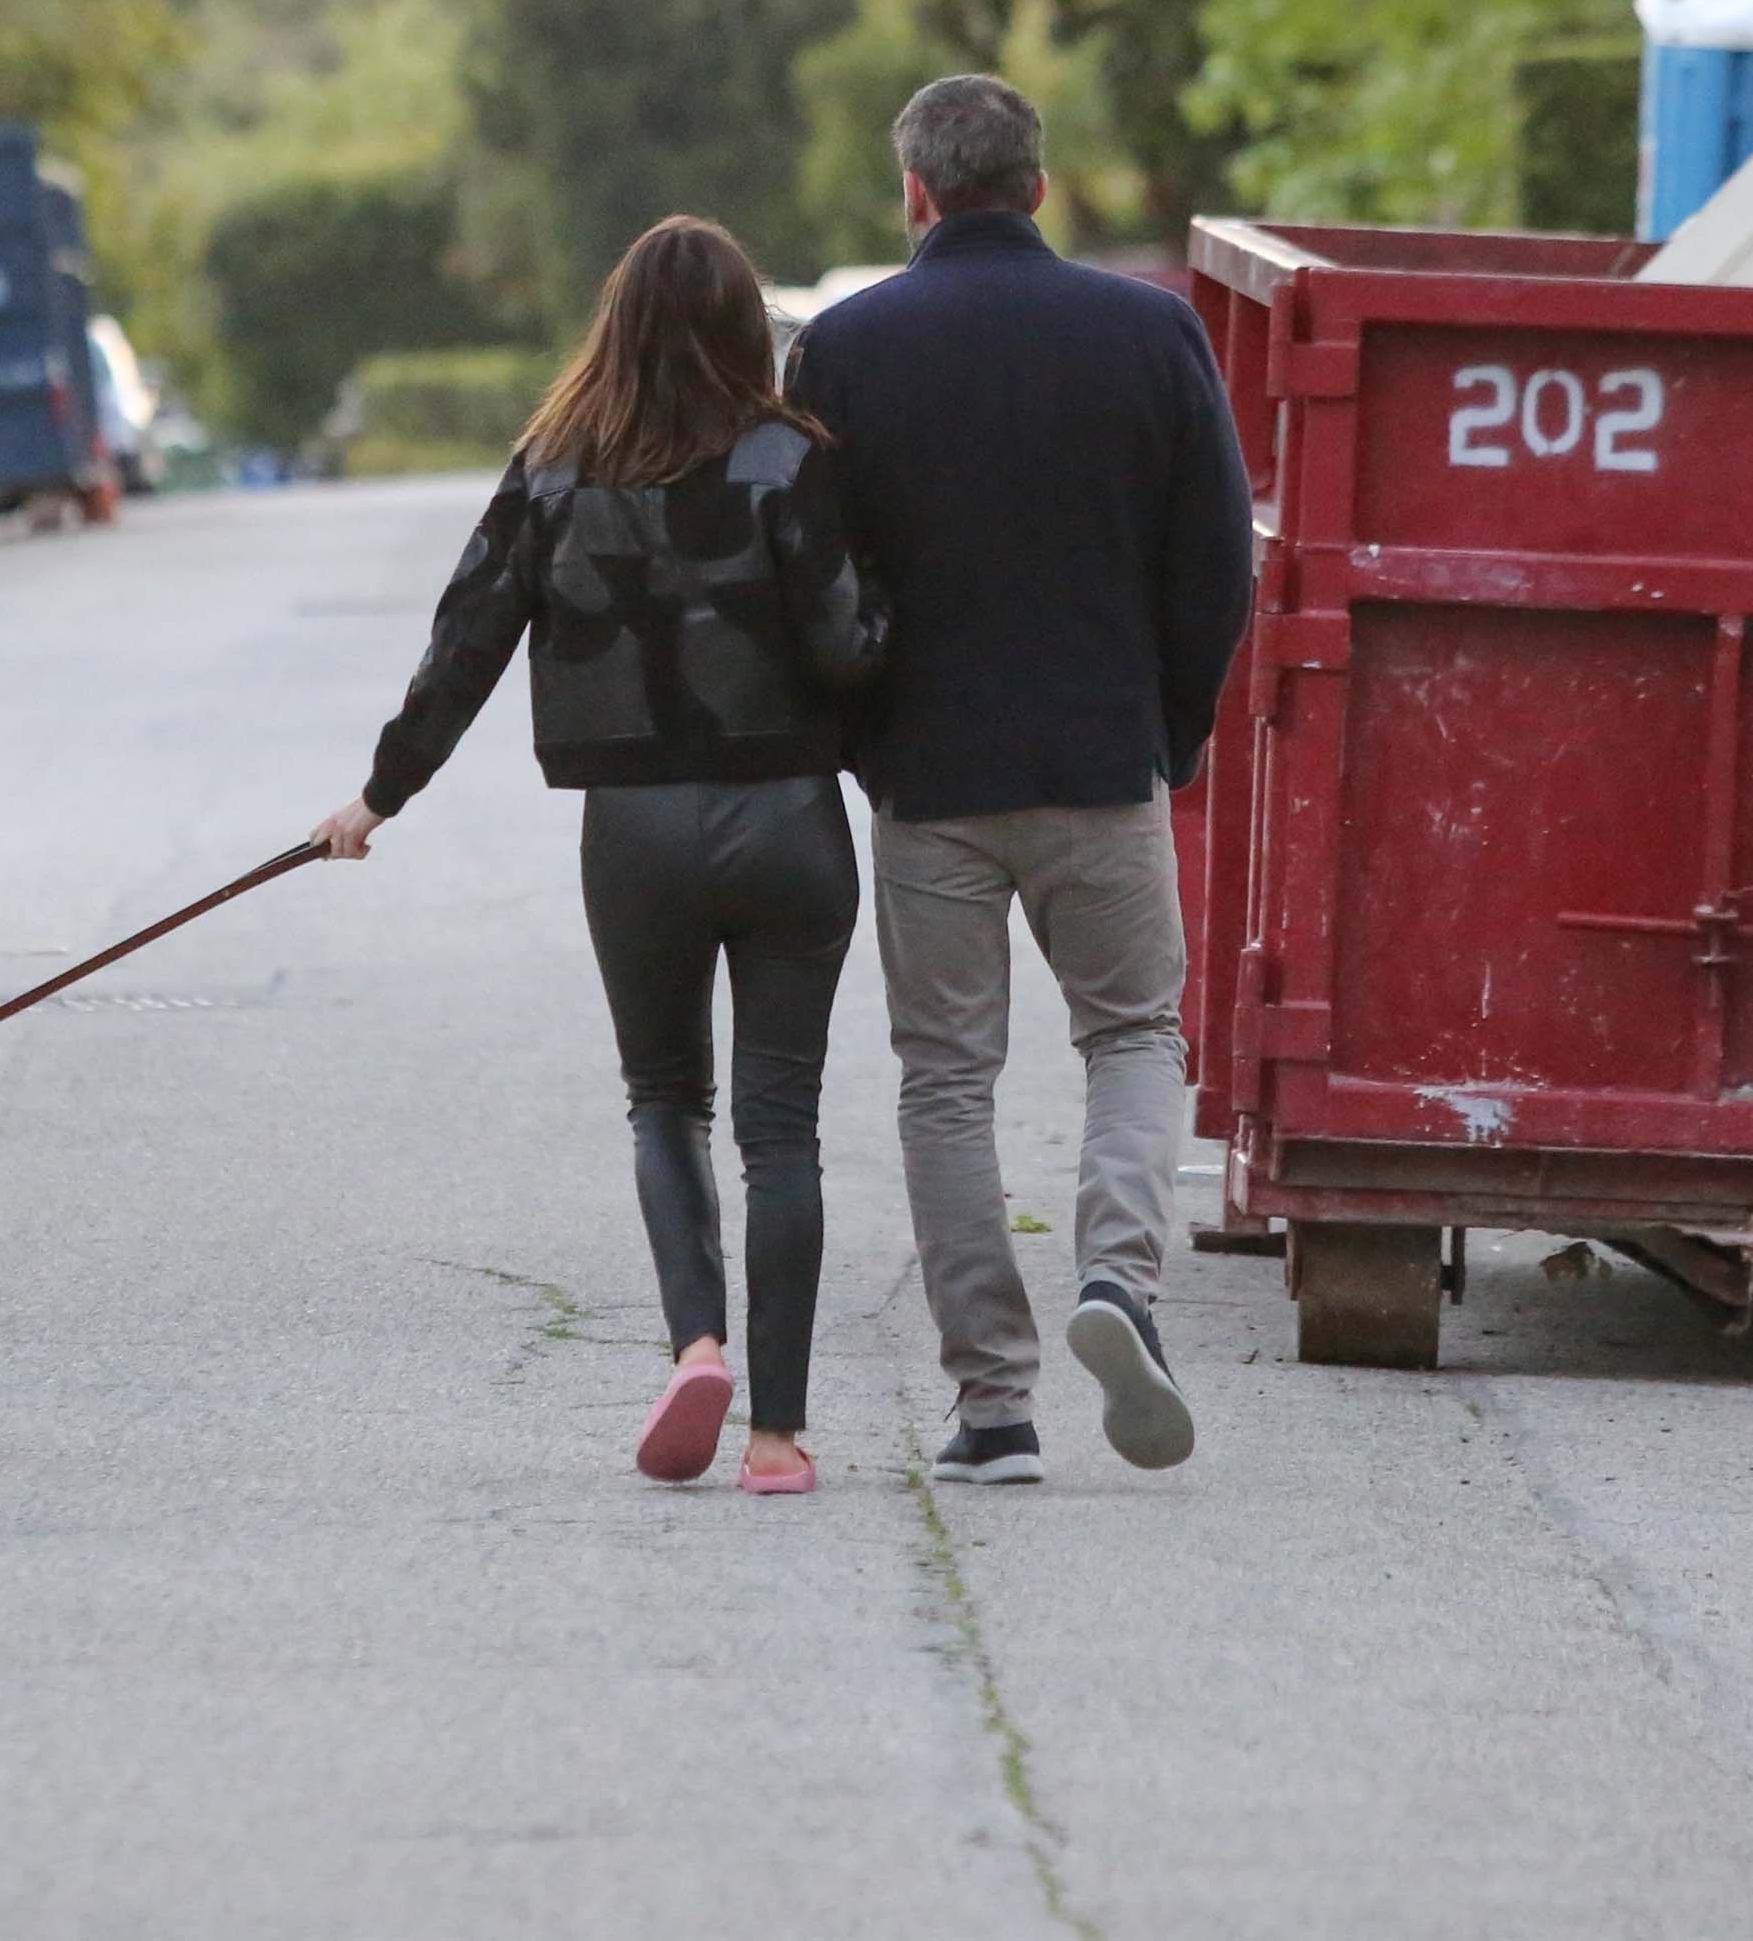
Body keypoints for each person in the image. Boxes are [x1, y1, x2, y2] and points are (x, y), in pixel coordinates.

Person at [311, 216, 888, 1495]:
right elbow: (852, 647)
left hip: (632, 830)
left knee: (664, 1099)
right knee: (779, 1125)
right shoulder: (789, 460)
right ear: (750, 330)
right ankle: (780, 1440)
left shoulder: (553, 466)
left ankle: (695, 1344)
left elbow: (466, 637)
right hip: (787, 817)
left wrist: (378, 796)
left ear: (612, 323)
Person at [786, 75, 1252, 1487]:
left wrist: (859, 735)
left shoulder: (845, 351)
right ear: (1040, 189)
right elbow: (1217, 560)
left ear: (915, 195)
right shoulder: (1150, 331)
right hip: (1101, 761)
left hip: (929, 778)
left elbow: (809, 578)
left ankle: (993, 1398)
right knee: (1131, 1038)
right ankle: (1121, 1280)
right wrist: (1165, 728)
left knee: (947, 1080)